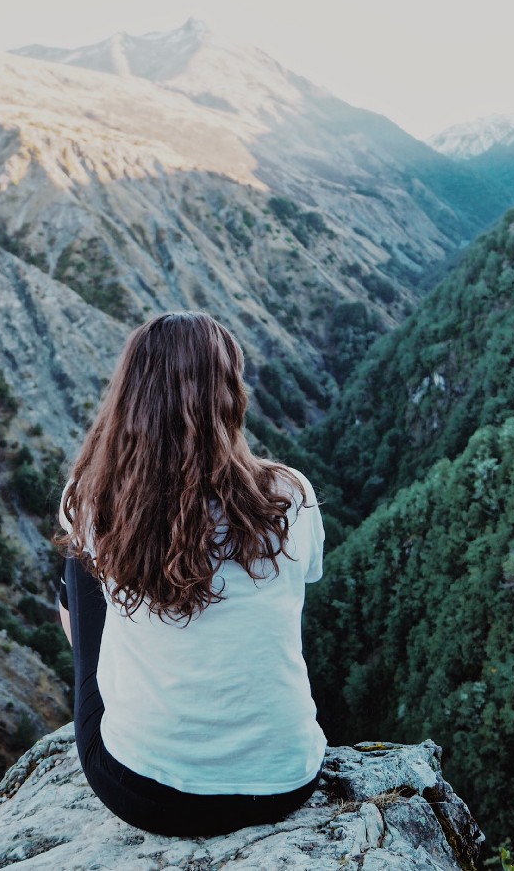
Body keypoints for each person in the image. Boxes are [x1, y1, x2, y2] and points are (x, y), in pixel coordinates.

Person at [54, 311, 326, 837]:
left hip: (143, 791)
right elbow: (300, 586)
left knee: (81, 564)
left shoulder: (93, 499)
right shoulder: (291, 496)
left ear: (131, 400)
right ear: (231, 395)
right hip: (286, 780)